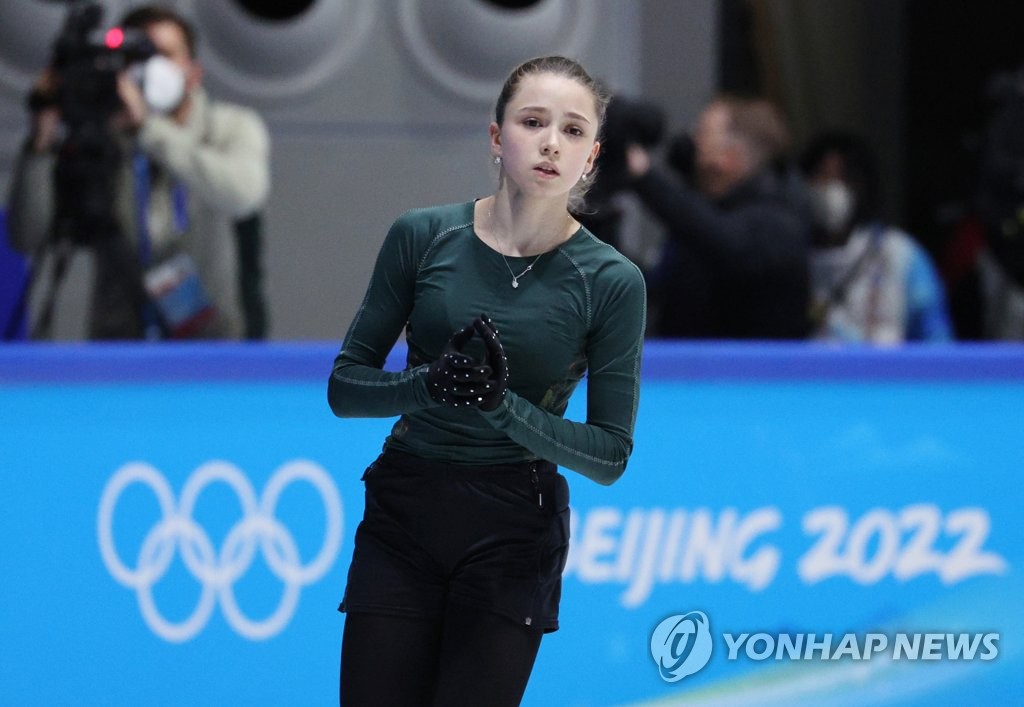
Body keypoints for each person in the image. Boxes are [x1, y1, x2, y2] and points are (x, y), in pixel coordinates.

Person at [327, 56, 646, 706]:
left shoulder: (612, 282)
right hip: (404, 511)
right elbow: (344, 385)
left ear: (591, 156)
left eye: (573, 130)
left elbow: (611, 454)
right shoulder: (422, 235)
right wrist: (425, 384)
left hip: (513, 526)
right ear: (497, 136)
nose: (552, 142)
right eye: (533, 121)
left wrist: (503, 408)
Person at [6, 4, 270, 340]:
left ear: (193, 72)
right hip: (120, 351)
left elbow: (244, 194)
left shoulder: (230, 126)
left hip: (214, 349)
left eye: (163, 54)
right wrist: (41, 144)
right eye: (137, 57)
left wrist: (148, 129)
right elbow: (28, 236)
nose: (149, 68)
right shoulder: (101, 136)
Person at [623, 95, 811, 339]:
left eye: (702, 134)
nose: (691, 143)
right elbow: (664, 290)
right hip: (687, 365)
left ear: (729, 157)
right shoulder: (707, 214)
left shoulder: (778, 219)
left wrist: (644, 174)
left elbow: (728, 245)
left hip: (750, 373)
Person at [800, 131, 953, 343]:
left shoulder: (902, 256)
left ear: (863, 185)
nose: (831, 188)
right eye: (822, 176)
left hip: (886, 375)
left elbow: (936, 342)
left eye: (844, 178)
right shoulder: (790, 256)